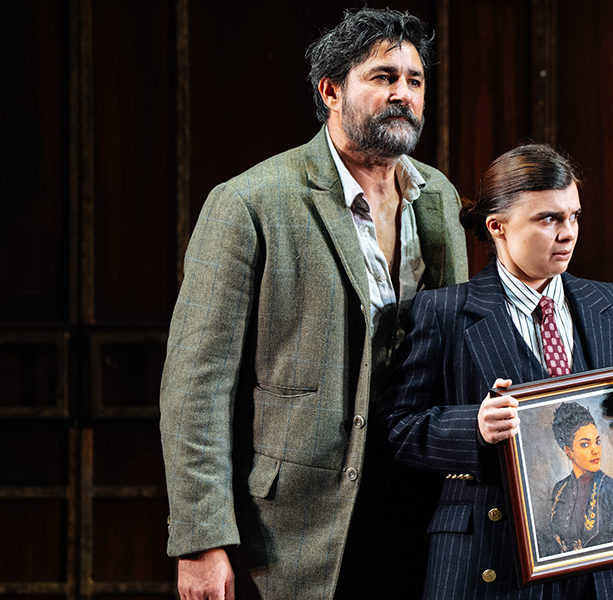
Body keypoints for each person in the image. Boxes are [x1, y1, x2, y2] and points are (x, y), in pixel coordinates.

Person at [158, 8, 467, 600]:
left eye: (415, 80)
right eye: (383, 77)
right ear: (331, 91)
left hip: (423, 501)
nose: (403, 93)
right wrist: (201, 539)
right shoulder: (251, 202)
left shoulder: (439, 197)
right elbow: (196, 384)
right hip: (299, 523)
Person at [379, 143, 613, 599]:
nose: (568, 233)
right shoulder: (444, 312)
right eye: (548, 219)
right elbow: (397, 428)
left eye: (574, 216)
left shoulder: (608, 304)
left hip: (608, 569)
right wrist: (473, 428)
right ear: (497, 226)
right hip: (492, 560)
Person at [544, 401, 613, 556]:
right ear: (568, 451)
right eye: (585, 444)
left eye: (597, 442)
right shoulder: (559, 489)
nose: (595, 451)